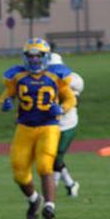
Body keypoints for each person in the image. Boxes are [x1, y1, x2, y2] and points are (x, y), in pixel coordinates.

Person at [0, 39, 76, 219]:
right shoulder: (16, 76)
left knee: (44, 165)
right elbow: (3, 97)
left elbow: (70, 99)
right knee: (19, 172)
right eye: (30, 56)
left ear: (45, 56)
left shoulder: (57, 75)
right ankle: (34, 199)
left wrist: (62, 109)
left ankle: (50, 206)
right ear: (25, 57)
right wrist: (5, 103)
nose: (33, 60)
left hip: (48, 126)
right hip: (24, 127)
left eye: (38, 55)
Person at [47, 53, 83, 197]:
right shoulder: (42, 79)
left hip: (67, 124)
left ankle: (51, 193)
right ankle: (71, 184)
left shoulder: (74, 80)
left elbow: (76, 101)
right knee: (49, 157)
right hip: (49, 124)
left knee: (56, 157)